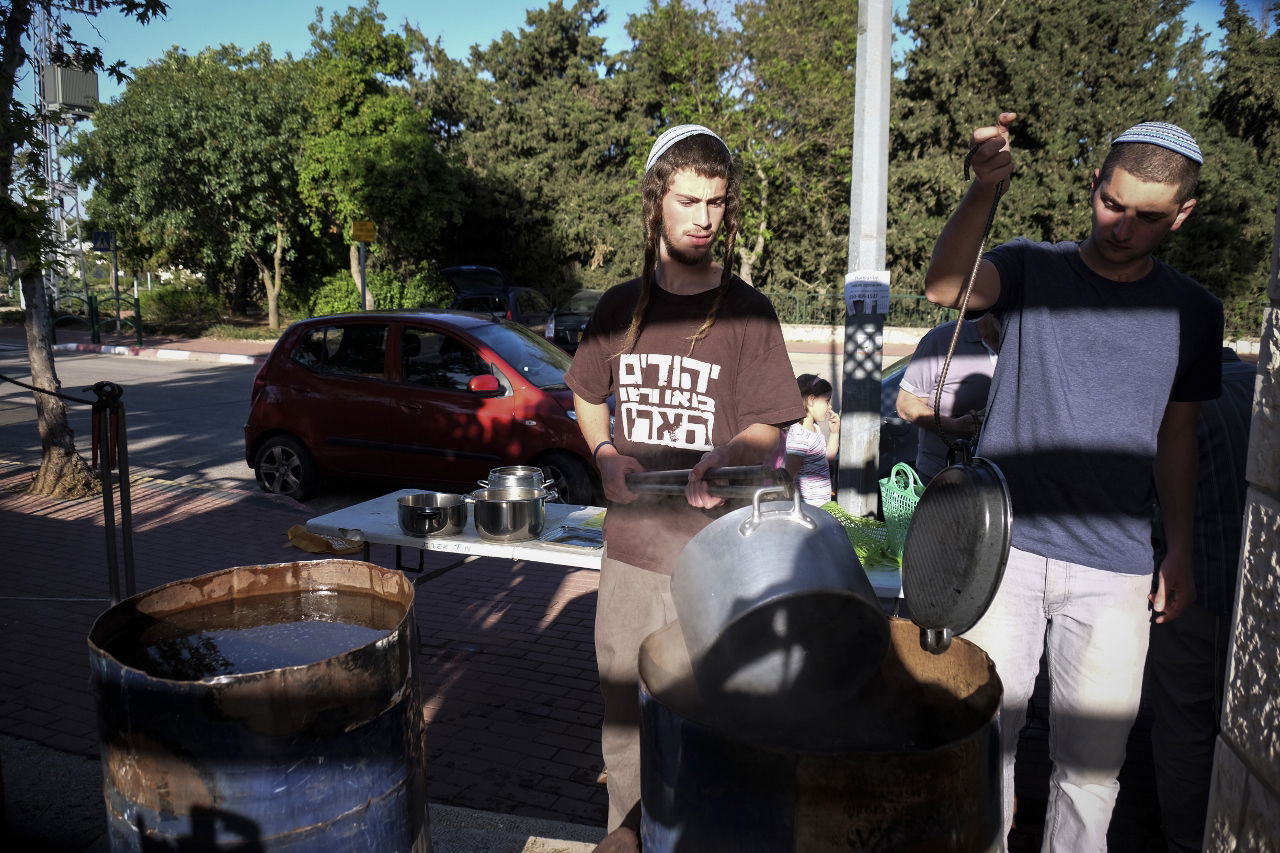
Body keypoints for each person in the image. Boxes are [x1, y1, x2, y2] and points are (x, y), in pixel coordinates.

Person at [924, 114, 1223, 852]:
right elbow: (943, 286)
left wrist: (1178, 546)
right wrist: (981, 190)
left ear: (1181, 214)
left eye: (1148, 217)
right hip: (1004, 554)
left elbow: (1176, 436)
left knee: (1092, 772)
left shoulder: (1194, 311)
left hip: (1117, 568)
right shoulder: (1032, 268)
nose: (1122, 227)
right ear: (1094, 184)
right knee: (977, 745)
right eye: (1112, 204)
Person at [564, 124, 804, 852]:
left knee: (717, 725)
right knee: (623, 726)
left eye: (717, 202)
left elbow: (773, 426)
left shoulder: (747, 311)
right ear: (655, 202)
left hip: (721, 565)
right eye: (688, 199)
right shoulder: (616, 309)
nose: (704, 217)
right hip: (631, 558)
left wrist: (729, 452)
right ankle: (627, 836)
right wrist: (603, 450)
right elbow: (584, 391)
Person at [1147, 347, 1255, 852]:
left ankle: (1187, 840)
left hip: (1195, 591)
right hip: (1258, 595)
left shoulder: (1173, 409)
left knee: (1185, 725)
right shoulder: (1256, 385)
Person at [895, 313, 1000, 481]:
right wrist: (953, 426)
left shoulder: (1022, 342)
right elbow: (905, 404)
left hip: (1001, 478)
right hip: (942, 477)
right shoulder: (943, 339)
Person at [784, 373, 840, 505]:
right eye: (827, 401)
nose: (830, 407)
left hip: (820, 506)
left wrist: (834, 433)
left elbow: (826, 459)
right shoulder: (800, 436)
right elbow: (788, 476)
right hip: (807, 508)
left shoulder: (815, 428)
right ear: (811, 400)